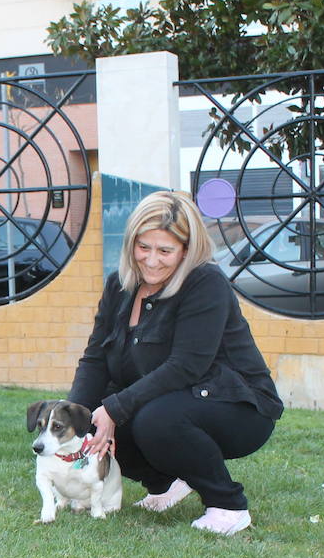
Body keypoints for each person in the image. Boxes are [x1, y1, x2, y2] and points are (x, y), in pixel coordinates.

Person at [69, 190, 283, 536]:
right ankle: (165, 485)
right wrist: (75, 418)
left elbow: (187, 366)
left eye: (165, 251)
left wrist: (114, 408)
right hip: (172, 399)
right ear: (131, 245)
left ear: (186, 250)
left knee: (154, 420)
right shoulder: (119, 285)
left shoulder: (206, 283)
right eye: (144, 248)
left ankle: (228, 506)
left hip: (238, 406)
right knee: (95, 418)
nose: (152, 261)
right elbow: (95, 357)